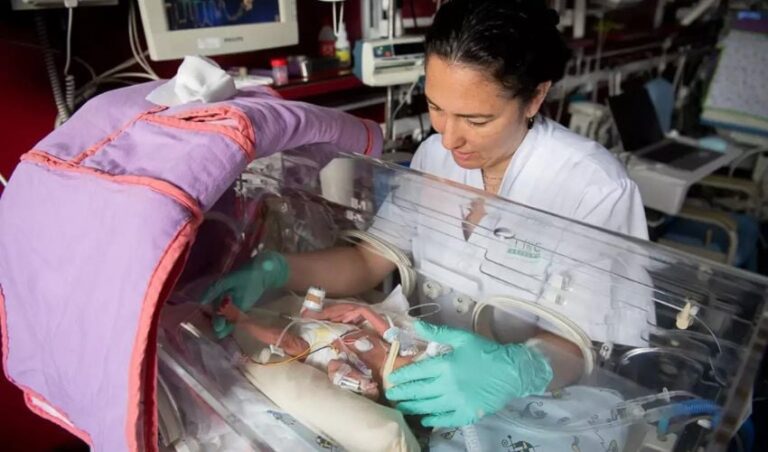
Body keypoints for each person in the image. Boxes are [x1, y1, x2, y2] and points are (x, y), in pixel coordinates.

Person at [203, 0, 648, 430]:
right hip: (412, 373)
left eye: (476, 119)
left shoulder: (591, 187)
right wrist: (276, 270)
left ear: (535, 97)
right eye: (436, 107)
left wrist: (519, 369)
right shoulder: (434, 157)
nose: (450, 138)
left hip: (523, 410)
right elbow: (367, 262)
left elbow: (582, 343)